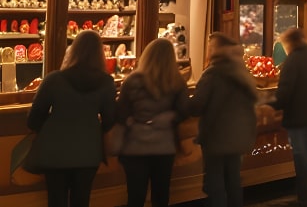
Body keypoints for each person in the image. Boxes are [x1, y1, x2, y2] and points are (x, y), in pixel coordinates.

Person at [26, 30, 117, 207]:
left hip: (54, 151)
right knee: (81, 201)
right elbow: (109, 121)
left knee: (56, 200)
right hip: (89, 152)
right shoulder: (106, 83)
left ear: (73, 50)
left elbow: (33, 119)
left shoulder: (53, 79)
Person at [116, 38, 190, 207]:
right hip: (164, 146)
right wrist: (170, 117)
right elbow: (185, 110)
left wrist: (131, 121)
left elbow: (120, 113)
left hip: (135, 146)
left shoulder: (132, 80)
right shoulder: (177, 81)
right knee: (161, 195)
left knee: (135, 197)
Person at [188, 32, 259, 207]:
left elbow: (197, 105)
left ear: (215, 50)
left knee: (215, 183)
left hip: (216, 137)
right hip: (238, 138)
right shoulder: (241, 73)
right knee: (233, 182)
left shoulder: (212, 74)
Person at [272, 27, 307, 207]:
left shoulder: (293, 60)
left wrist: (271, 105)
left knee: (301, 157)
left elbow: (285, 91)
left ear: (289, 43)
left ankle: (305, 198)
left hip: (299, 118)